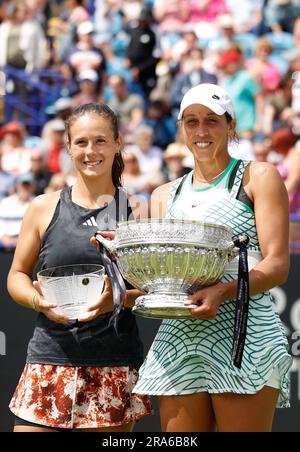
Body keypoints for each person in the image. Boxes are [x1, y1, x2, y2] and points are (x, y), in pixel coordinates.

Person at [133, 83, 292, 432]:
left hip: (244, 334)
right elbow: (164, 280)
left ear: (230, 125)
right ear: (181, 128)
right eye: (191, 121)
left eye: (211, 120)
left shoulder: (258, 176)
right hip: (180, 338)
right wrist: (120, 277)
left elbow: (277, 265)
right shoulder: (163, 194)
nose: (201, 131)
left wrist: (223, 291)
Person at [7, 103, 152, 432]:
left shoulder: (139, 212)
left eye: (100, 141)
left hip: (113, 365)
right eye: (82, 142)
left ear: (118, 143)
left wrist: (117, 299)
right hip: (48, 360)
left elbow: (155, 292)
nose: (91, 151)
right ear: (69, 147)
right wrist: (35, 300)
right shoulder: (42, 207)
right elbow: (17, 276)